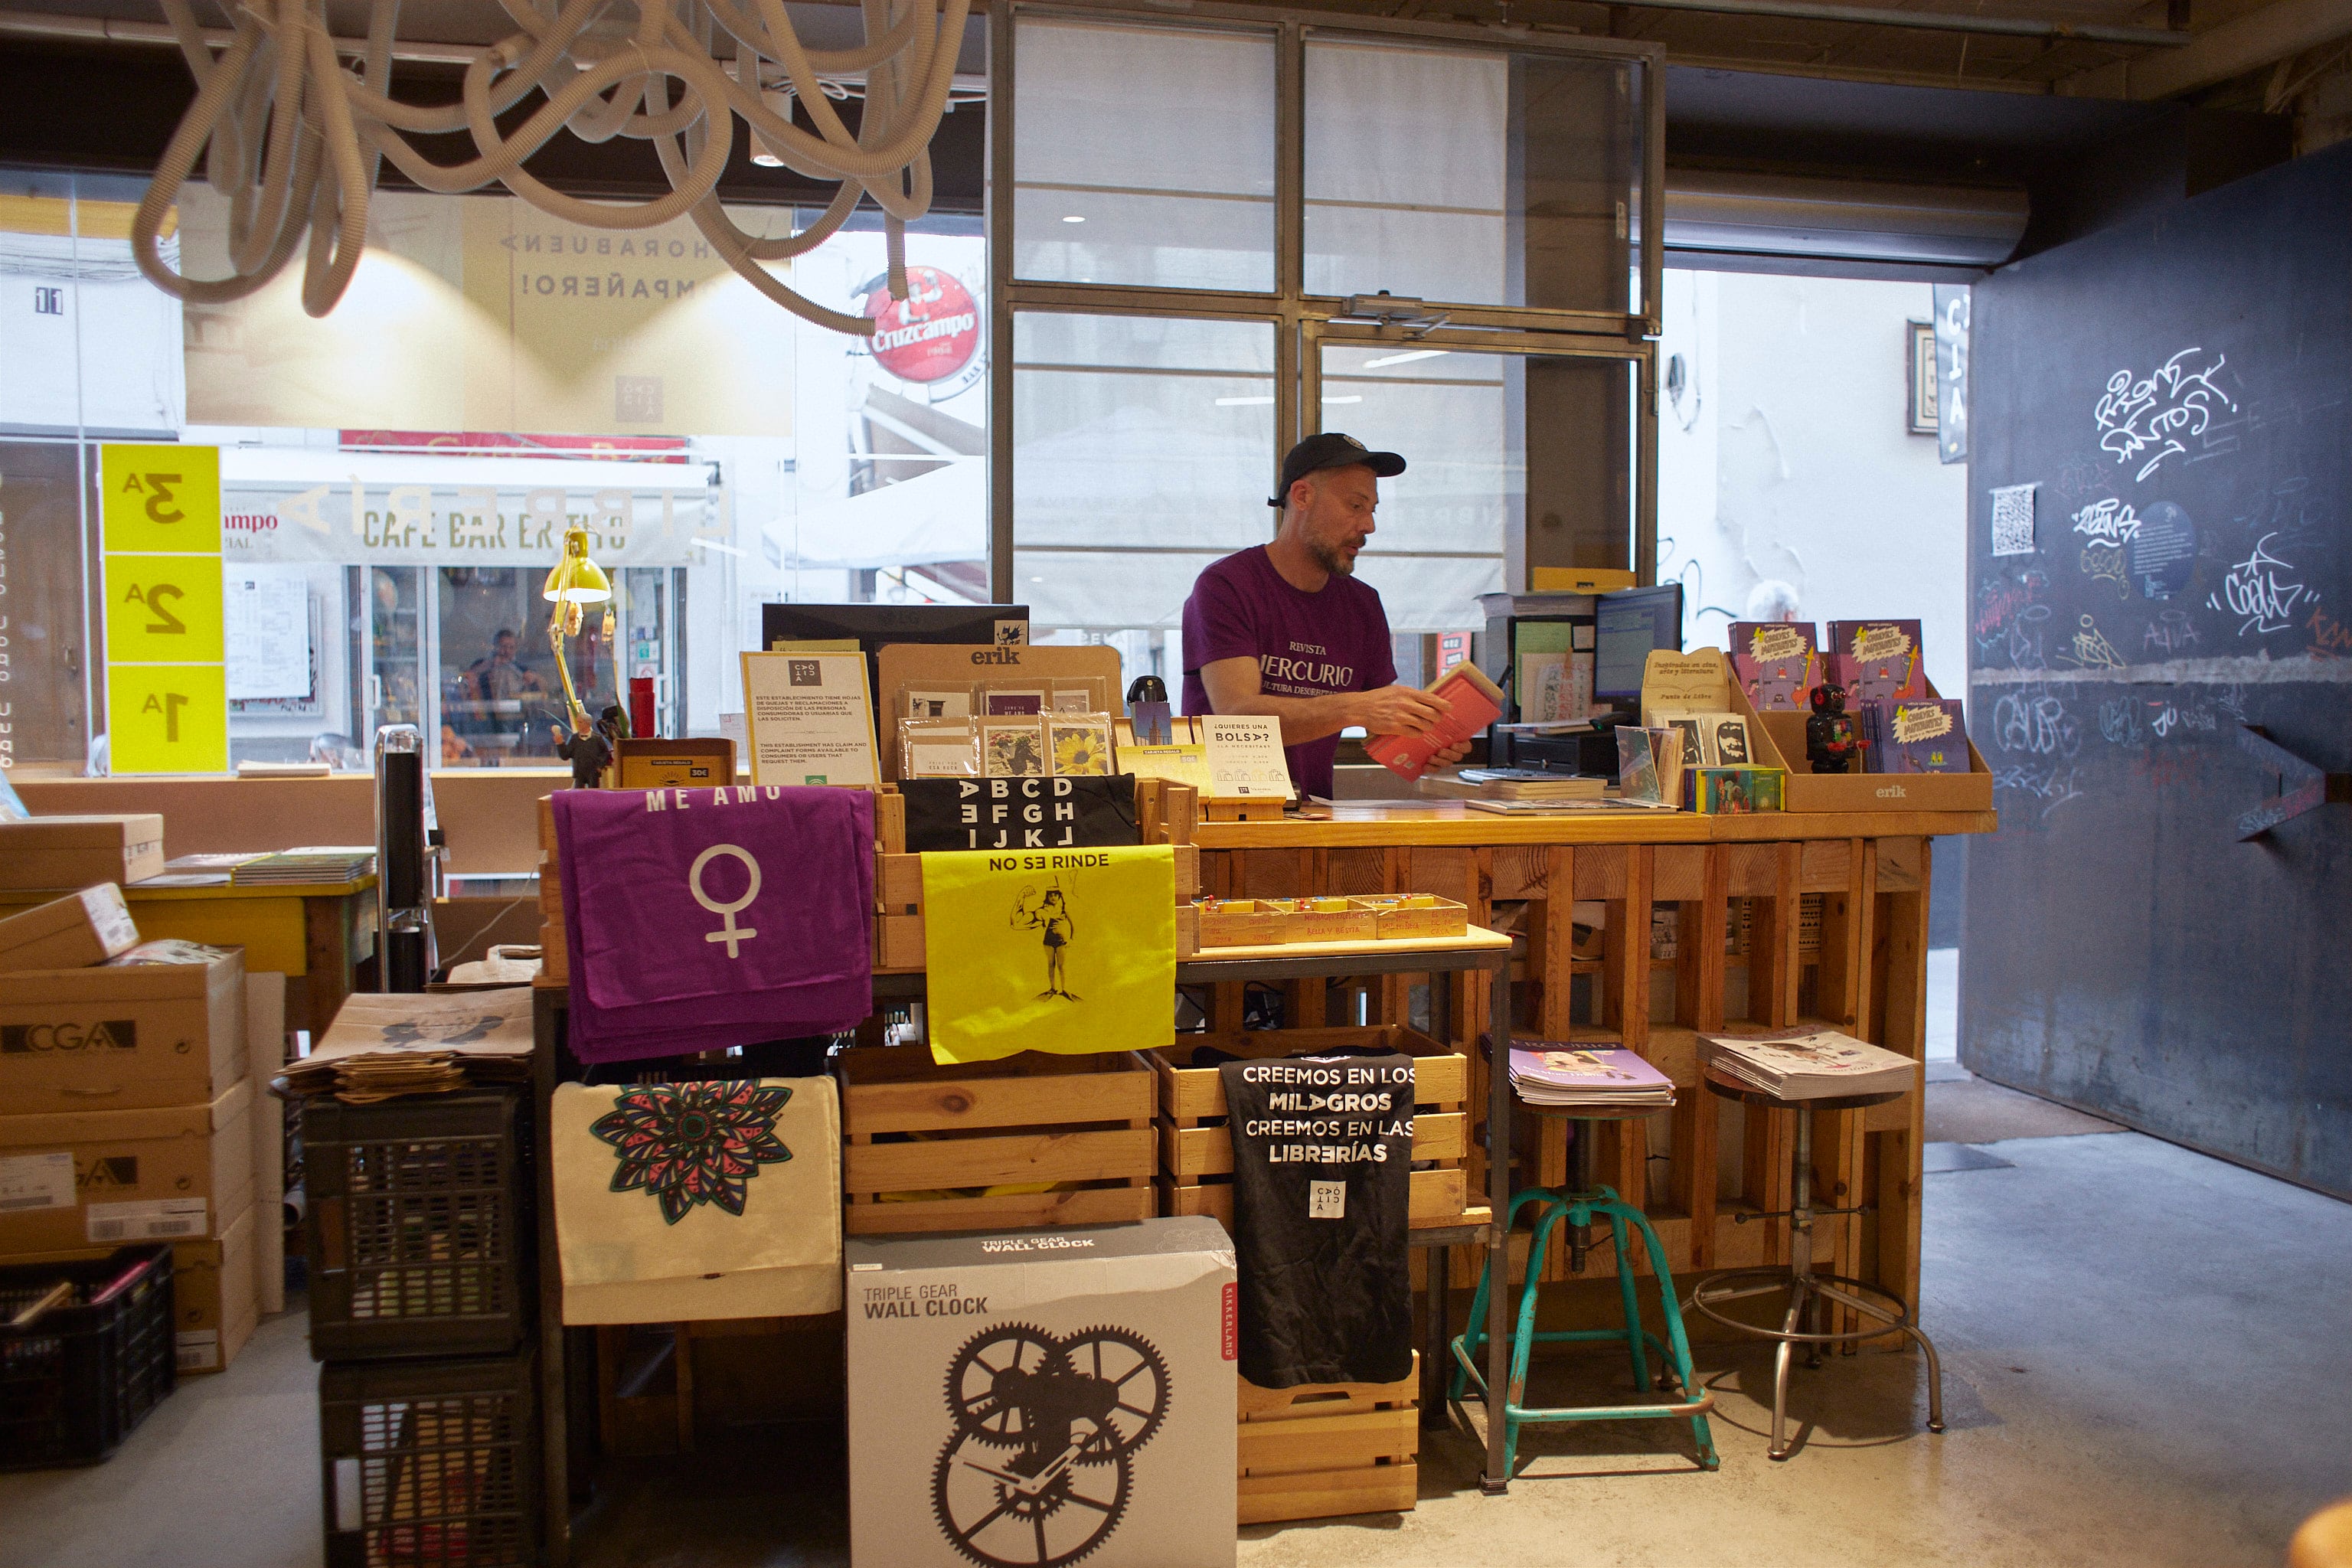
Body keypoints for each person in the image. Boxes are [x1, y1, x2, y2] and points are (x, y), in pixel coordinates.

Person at [1181, 433, 1472, 801]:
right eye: (1355, 506)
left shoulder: (1363, 604)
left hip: (1313, 813)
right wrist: (1354, 707)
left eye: (1373, 510)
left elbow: (1381, 730)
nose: (1369, 526)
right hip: (1224, 814)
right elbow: (1237, 715)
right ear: (1302, 496)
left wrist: (1427, 743)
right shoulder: (1226, 586)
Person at [464, 629, 546, 702]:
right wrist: (491, 665)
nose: (507, 651)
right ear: (496, 647)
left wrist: (534, 678)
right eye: (504, 647)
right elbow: (468, 676)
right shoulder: (482, 664)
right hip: (487, 711)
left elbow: (543, 685)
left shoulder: (520, 668)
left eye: (511, 648)